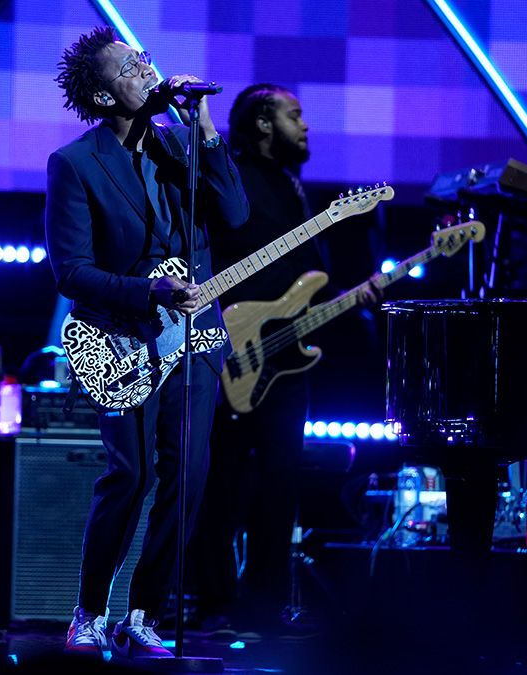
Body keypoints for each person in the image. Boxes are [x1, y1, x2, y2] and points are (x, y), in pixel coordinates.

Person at [44, 26, 249, 658]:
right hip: (116, 334)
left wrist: (204, 127)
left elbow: (236, 216)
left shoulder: (178, 148)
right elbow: (70, 271)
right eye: (131, 68)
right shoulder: (75, 164)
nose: (147, 70)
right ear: (105, 97)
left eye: (145, 60)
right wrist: (148, 294)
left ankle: (143, 611)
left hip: (197, 333)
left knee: (188, 474)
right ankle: (91, 610)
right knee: (130, 475)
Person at [191, 84, 379, 637]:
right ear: (263, 124)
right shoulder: (229, 180)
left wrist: (353, 296)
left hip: (286, 362)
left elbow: (304, 280)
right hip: (231, 351)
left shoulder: (293, 188)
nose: (306, 125)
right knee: (221, 487)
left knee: (280, 486)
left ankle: (265, 605)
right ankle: (216, 603)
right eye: (294, 115)